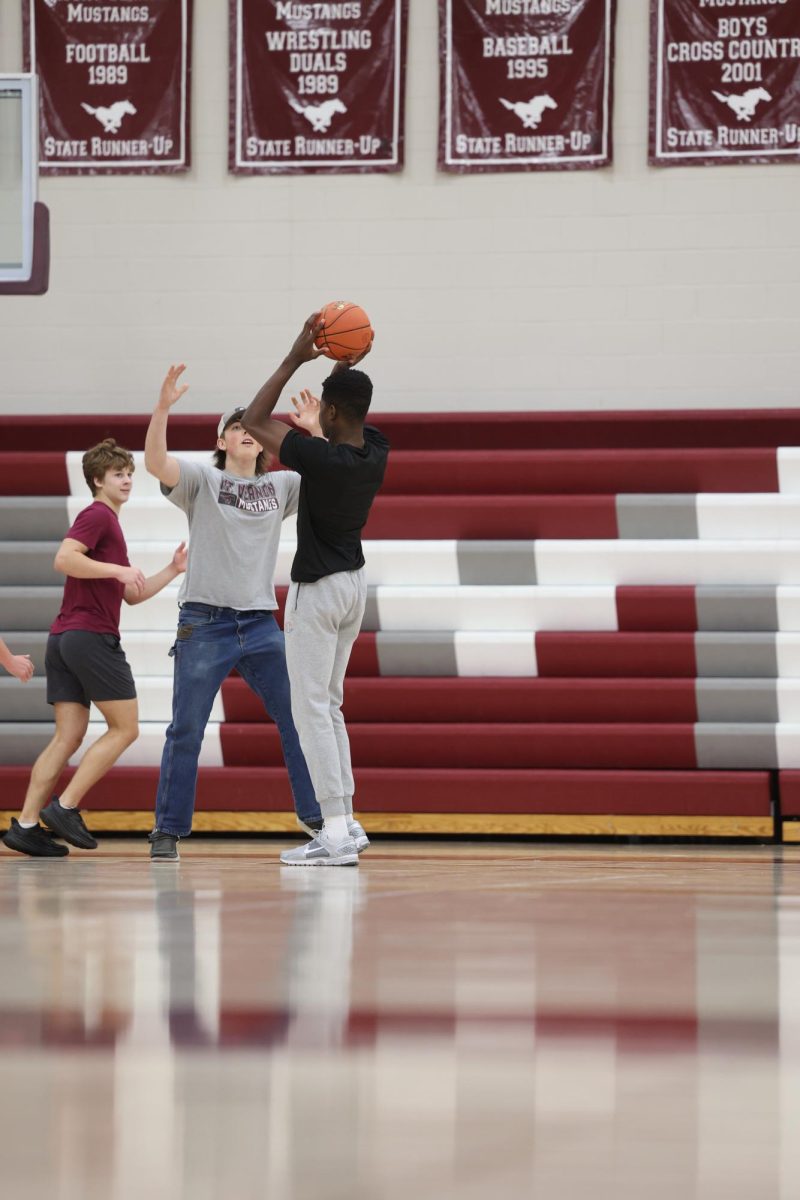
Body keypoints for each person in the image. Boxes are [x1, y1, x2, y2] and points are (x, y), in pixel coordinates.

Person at [144, 365, 322, 862]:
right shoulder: (202, 480)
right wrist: (162, 408)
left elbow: (331, 475)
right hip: (205, 622)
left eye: (253, 427)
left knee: (298, 720)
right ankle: (168, 830)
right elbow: (156, 462)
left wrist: (316, 434)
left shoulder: (283, 487)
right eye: (237, 426)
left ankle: (316, 818)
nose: (246, 432)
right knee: (186, 728)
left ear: (263, 441)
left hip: (261, 623)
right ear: (222, 439)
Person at [241, 313, 389, 866]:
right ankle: (345, 821)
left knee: (311, 711)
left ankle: (331, 832)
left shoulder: (318, 457)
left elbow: (254, 418)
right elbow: (343, 420)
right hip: (354, 586)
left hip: (318, 590)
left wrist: (297, 356)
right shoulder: (376, 447)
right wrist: (341, 369)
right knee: (330, 706)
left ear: (326, 411)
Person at [2, 439, 186, 859]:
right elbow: (64, 559)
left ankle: (27, 826)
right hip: (91, 638)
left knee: (67, 737)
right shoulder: (98, 515)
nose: (126, 480)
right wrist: (118, 568)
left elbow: (132, 596)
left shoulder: (109, 525)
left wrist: (172, 570)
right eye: (118, 474)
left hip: (64, 639)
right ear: (97, 480)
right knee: (127, 728)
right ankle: (66, 808)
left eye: (128, 474)